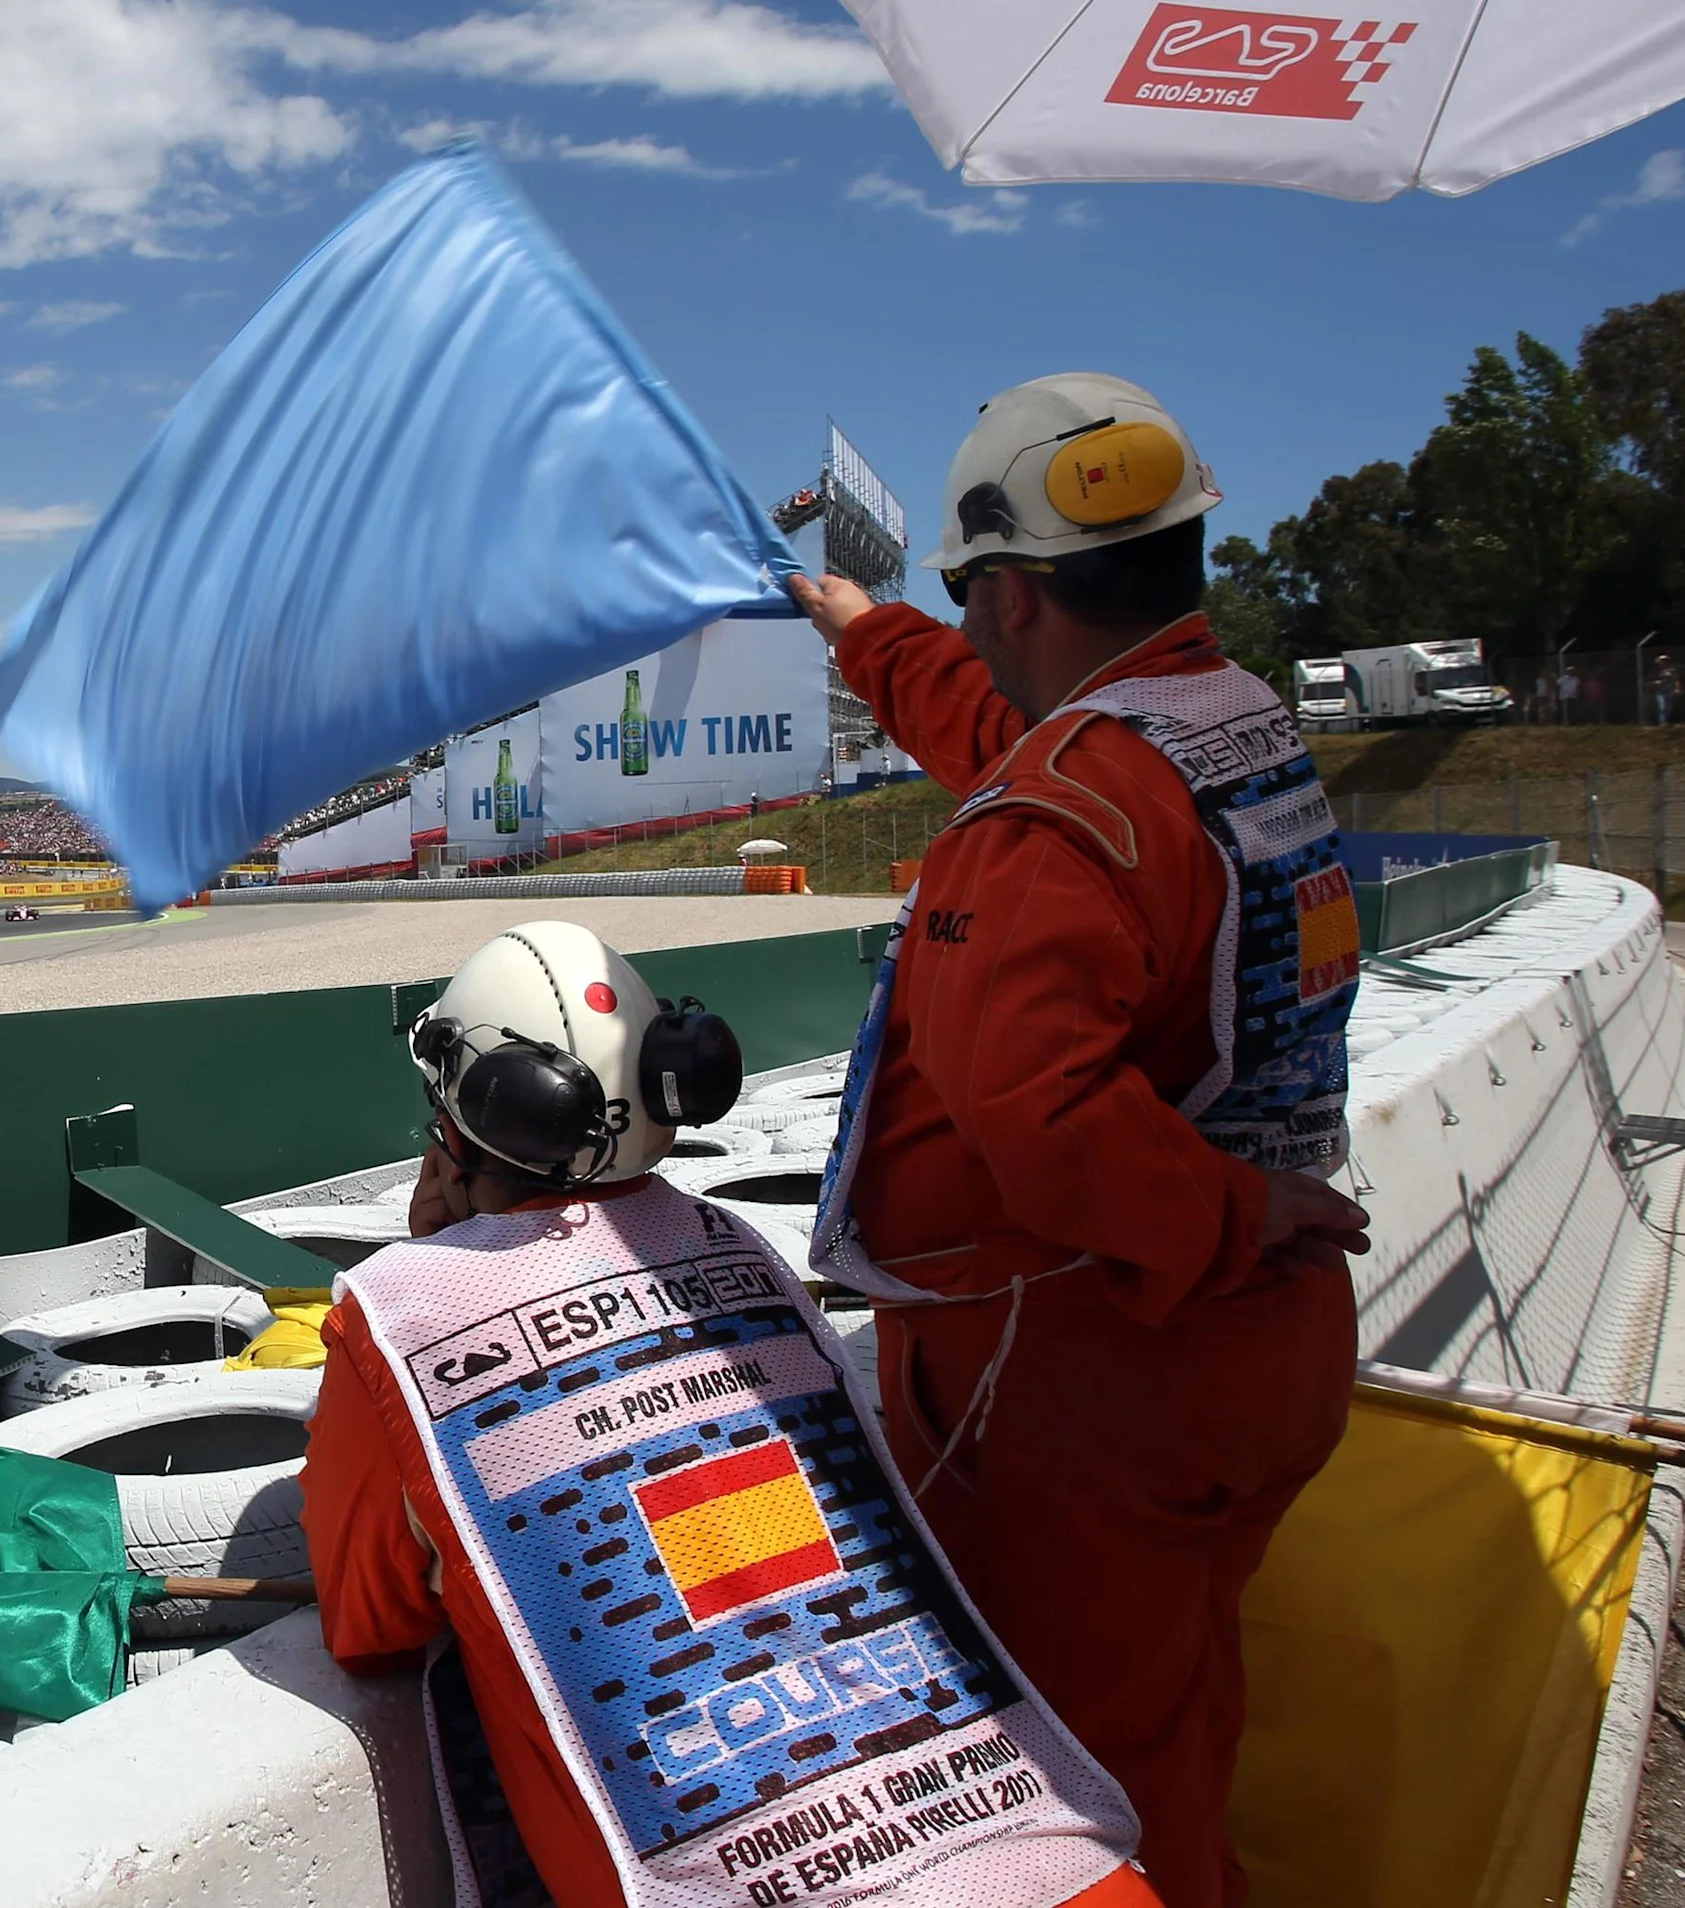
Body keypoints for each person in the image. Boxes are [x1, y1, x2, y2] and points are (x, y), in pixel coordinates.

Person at [780, 372, 1369, 1908]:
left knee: (1068, 1792)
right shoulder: (1225, 728)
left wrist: (1232, 1217)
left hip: (1092, 1372)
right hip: (1248, 1354)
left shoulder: (1046, 824)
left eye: (969, 594)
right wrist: (862, 621)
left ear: (1025, 593)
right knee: (1176, 1727)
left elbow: (1042, 1125)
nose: (964, 623)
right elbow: (1012, 730)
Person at [304, 921, 1161, 1908]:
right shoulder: (741, 1253)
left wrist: (435, 1262)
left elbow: (370, 1624)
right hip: (1075, 1869)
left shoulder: (401, 1319)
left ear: (466, 1122)